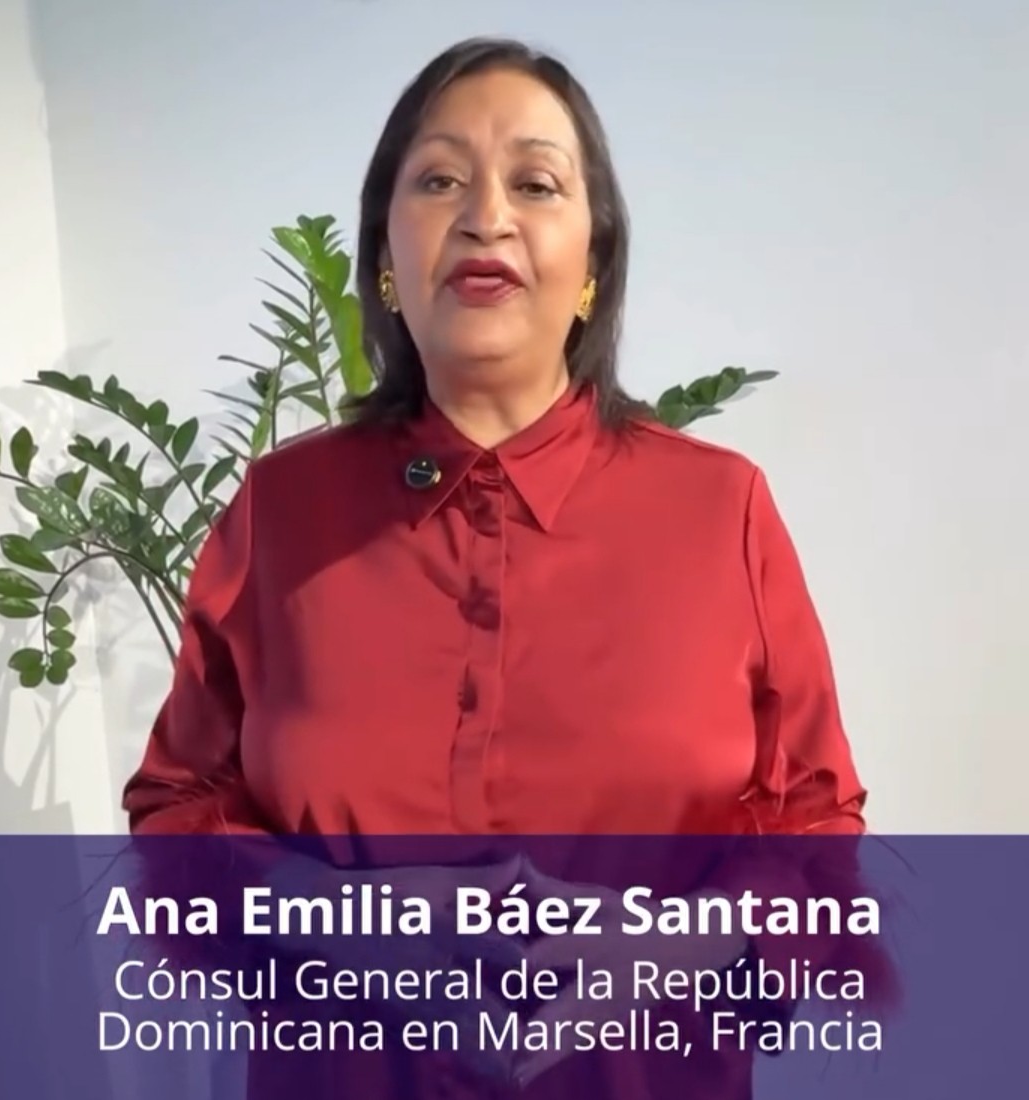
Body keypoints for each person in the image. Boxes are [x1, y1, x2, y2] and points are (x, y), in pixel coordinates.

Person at [122, 36, 883, 1099]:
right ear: (385, 263)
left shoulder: (721, 508)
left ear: (593, 265)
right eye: (439, 180)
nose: (486, 216)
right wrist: (336, 918)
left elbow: (813, 825)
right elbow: (176, 811)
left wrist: (673, 948)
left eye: (535, 183)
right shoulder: (280, 509)